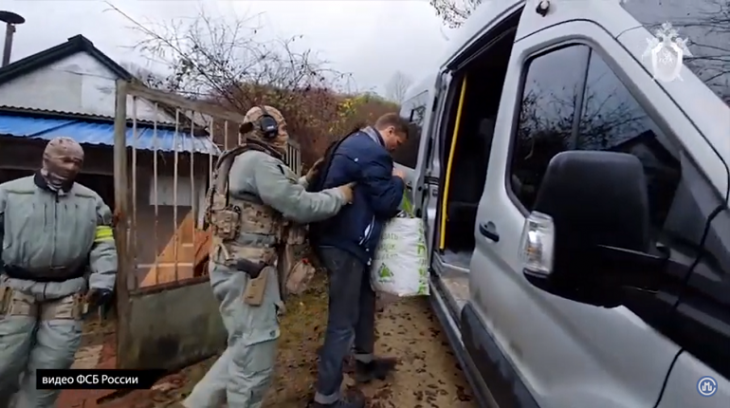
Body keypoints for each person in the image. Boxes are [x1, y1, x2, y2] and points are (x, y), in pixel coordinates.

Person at [181, 105, 355, 408]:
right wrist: (339, 196)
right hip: (248, 272)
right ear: (267, 130)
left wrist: (306, 180)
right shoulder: (259, 163)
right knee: (254, 361)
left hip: (233, 265)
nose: (285, 132)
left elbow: (272, 197)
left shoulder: (239, 159)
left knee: (241, 347)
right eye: (281, 127)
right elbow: (299, 207)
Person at [0, 137, 117, 408]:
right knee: (5, 361)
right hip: (15, 288)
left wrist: (103, 280)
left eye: (78, 162)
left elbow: (103, 243)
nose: (73, 166)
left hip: (68, 292)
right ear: (46, 159)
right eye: (66, 159)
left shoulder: (91, 200)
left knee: (53, 366)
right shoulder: (9, 194)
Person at [309, 113, 409, 408]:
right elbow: (386, 203)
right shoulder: (375, 153)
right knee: (341, 321)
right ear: (389, 131)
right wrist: (399, 182)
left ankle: (364, 360)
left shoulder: (353, 141)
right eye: (397, 143)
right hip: (345, 242)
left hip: (338, 235)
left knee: (366, 296)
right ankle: (326, 397)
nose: (394, 149)